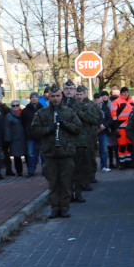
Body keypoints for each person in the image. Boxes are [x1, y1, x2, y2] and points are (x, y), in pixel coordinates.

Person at [30, 84, 82, 218]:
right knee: (53, 183)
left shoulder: (69, 112)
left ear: (61, 96)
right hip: (50, 153)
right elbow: (34, 130)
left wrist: (64, 123)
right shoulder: (42, 113)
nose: (55, 99)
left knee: (65, 183)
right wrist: (49, 129)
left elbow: (78, 128)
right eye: (52, 96)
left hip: (66, 153)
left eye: (58, 96)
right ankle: (55, 207)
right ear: (49, 97)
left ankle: (64, 207)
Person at [4, 100, 28, 177]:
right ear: (11, 107)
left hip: (24, 138)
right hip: (15, 139)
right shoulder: (8, 116)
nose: (15, 107)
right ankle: (19, 172)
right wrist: (8, 139)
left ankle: (30, 170)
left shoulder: (23, 114)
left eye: (17, 105)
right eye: (13, 106)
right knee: (17, 157)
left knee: (27, 155)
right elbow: (6, 128)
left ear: (19, 105)